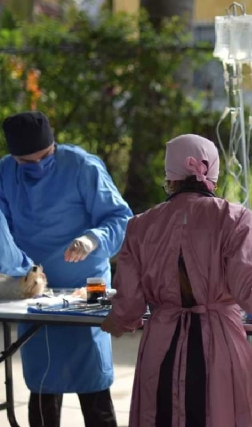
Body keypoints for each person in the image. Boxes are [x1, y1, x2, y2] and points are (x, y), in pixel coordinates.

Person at [100, 134, 252, 427]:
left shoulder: (140, 225)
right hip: (218, 345)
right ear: (213, 172)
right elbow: (251, 293)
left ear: (170, 175)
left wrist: (116, 321)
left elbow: (128, 307)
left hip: (161, 343)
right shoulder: (233, 217)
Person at [0, 111, 133, 426]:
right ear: (13, 156)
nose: (36, 167)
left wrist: (93, 238)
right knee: (43, 374)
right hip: (33, 286)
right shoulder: (5, 172)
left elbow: (121, 218)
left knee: (93, 378)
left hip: (91, 283)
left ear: (53, 146)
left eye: (43, 157)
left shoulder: (82, 166)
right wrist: (20, 268)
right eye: (26, 162)